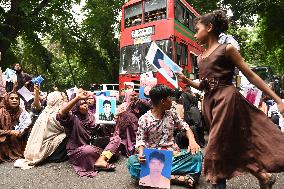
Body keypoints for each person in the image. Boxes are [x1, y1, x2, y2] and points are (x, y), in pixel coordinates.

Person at [178, 10, 284, 189]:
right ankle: (264, 177)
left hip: (227, 101)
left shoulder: (226, 49)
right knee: (232, 145)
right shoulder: (200, 58)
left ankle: (217, 184)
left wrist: (278, 100)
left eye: (197, 30)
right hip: (210, 104)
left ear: (210, 27)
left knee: (215, 149)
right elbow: (204, 86)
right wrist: (187, 81)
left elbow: (250, 75)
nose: (194, 34)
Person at [127, 85, 203, 188]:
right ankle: (178, 178)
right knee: (132, 162)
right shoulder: (144, 119)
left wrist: (192, 141)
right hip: (154, 161)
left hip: (173, 156)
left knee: (197, 155)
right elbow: (140, 141)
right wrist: (141, 154)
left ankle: (157, 177)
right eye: (170, 98)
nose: (172, 101)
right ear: (163, 101)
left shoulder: (172, 114)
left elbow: (186, 128)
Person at [56, 90, 121, 177]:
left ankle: (101, 159)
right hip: (79, 149)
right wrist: (78, 97)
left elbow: (103, 132)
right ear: (77, 106)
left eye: (86, 102)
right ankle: (105, 156)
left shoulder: (91, 116)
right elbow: (61, 113)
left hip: (94, 144)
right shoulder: (72, 118)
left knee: (116, 139)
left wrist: (112, 122)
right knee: (88, 150)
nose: (86, 105)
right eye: (82, 103)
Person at [14, 91, 67, 169]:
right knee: (66, 135)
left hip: (38, 145)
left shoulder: (45, 111)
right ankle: (53, 157)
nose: (63, 101)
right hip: (47, 146)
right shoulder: (56, 114)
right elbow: (64, 128)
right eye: (61, 99)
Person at [116, 91, 151, 156]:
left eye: (135, 95)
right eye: (132, 95)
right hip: (132, 125)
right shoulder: (128, 105)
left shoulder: (141, 102)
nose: (134, 96)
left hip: (139, 124)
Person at [0, 92, 32, 162]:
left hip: (18, 139)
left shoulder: (22, 112)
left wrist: (25, 130)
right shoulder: (1, 112)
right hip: (3, 139)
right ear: (6, 100)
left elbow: (26, 124)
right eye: (11, 98)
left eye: (17, 98)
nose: (15, 100)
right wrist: (10, 132)